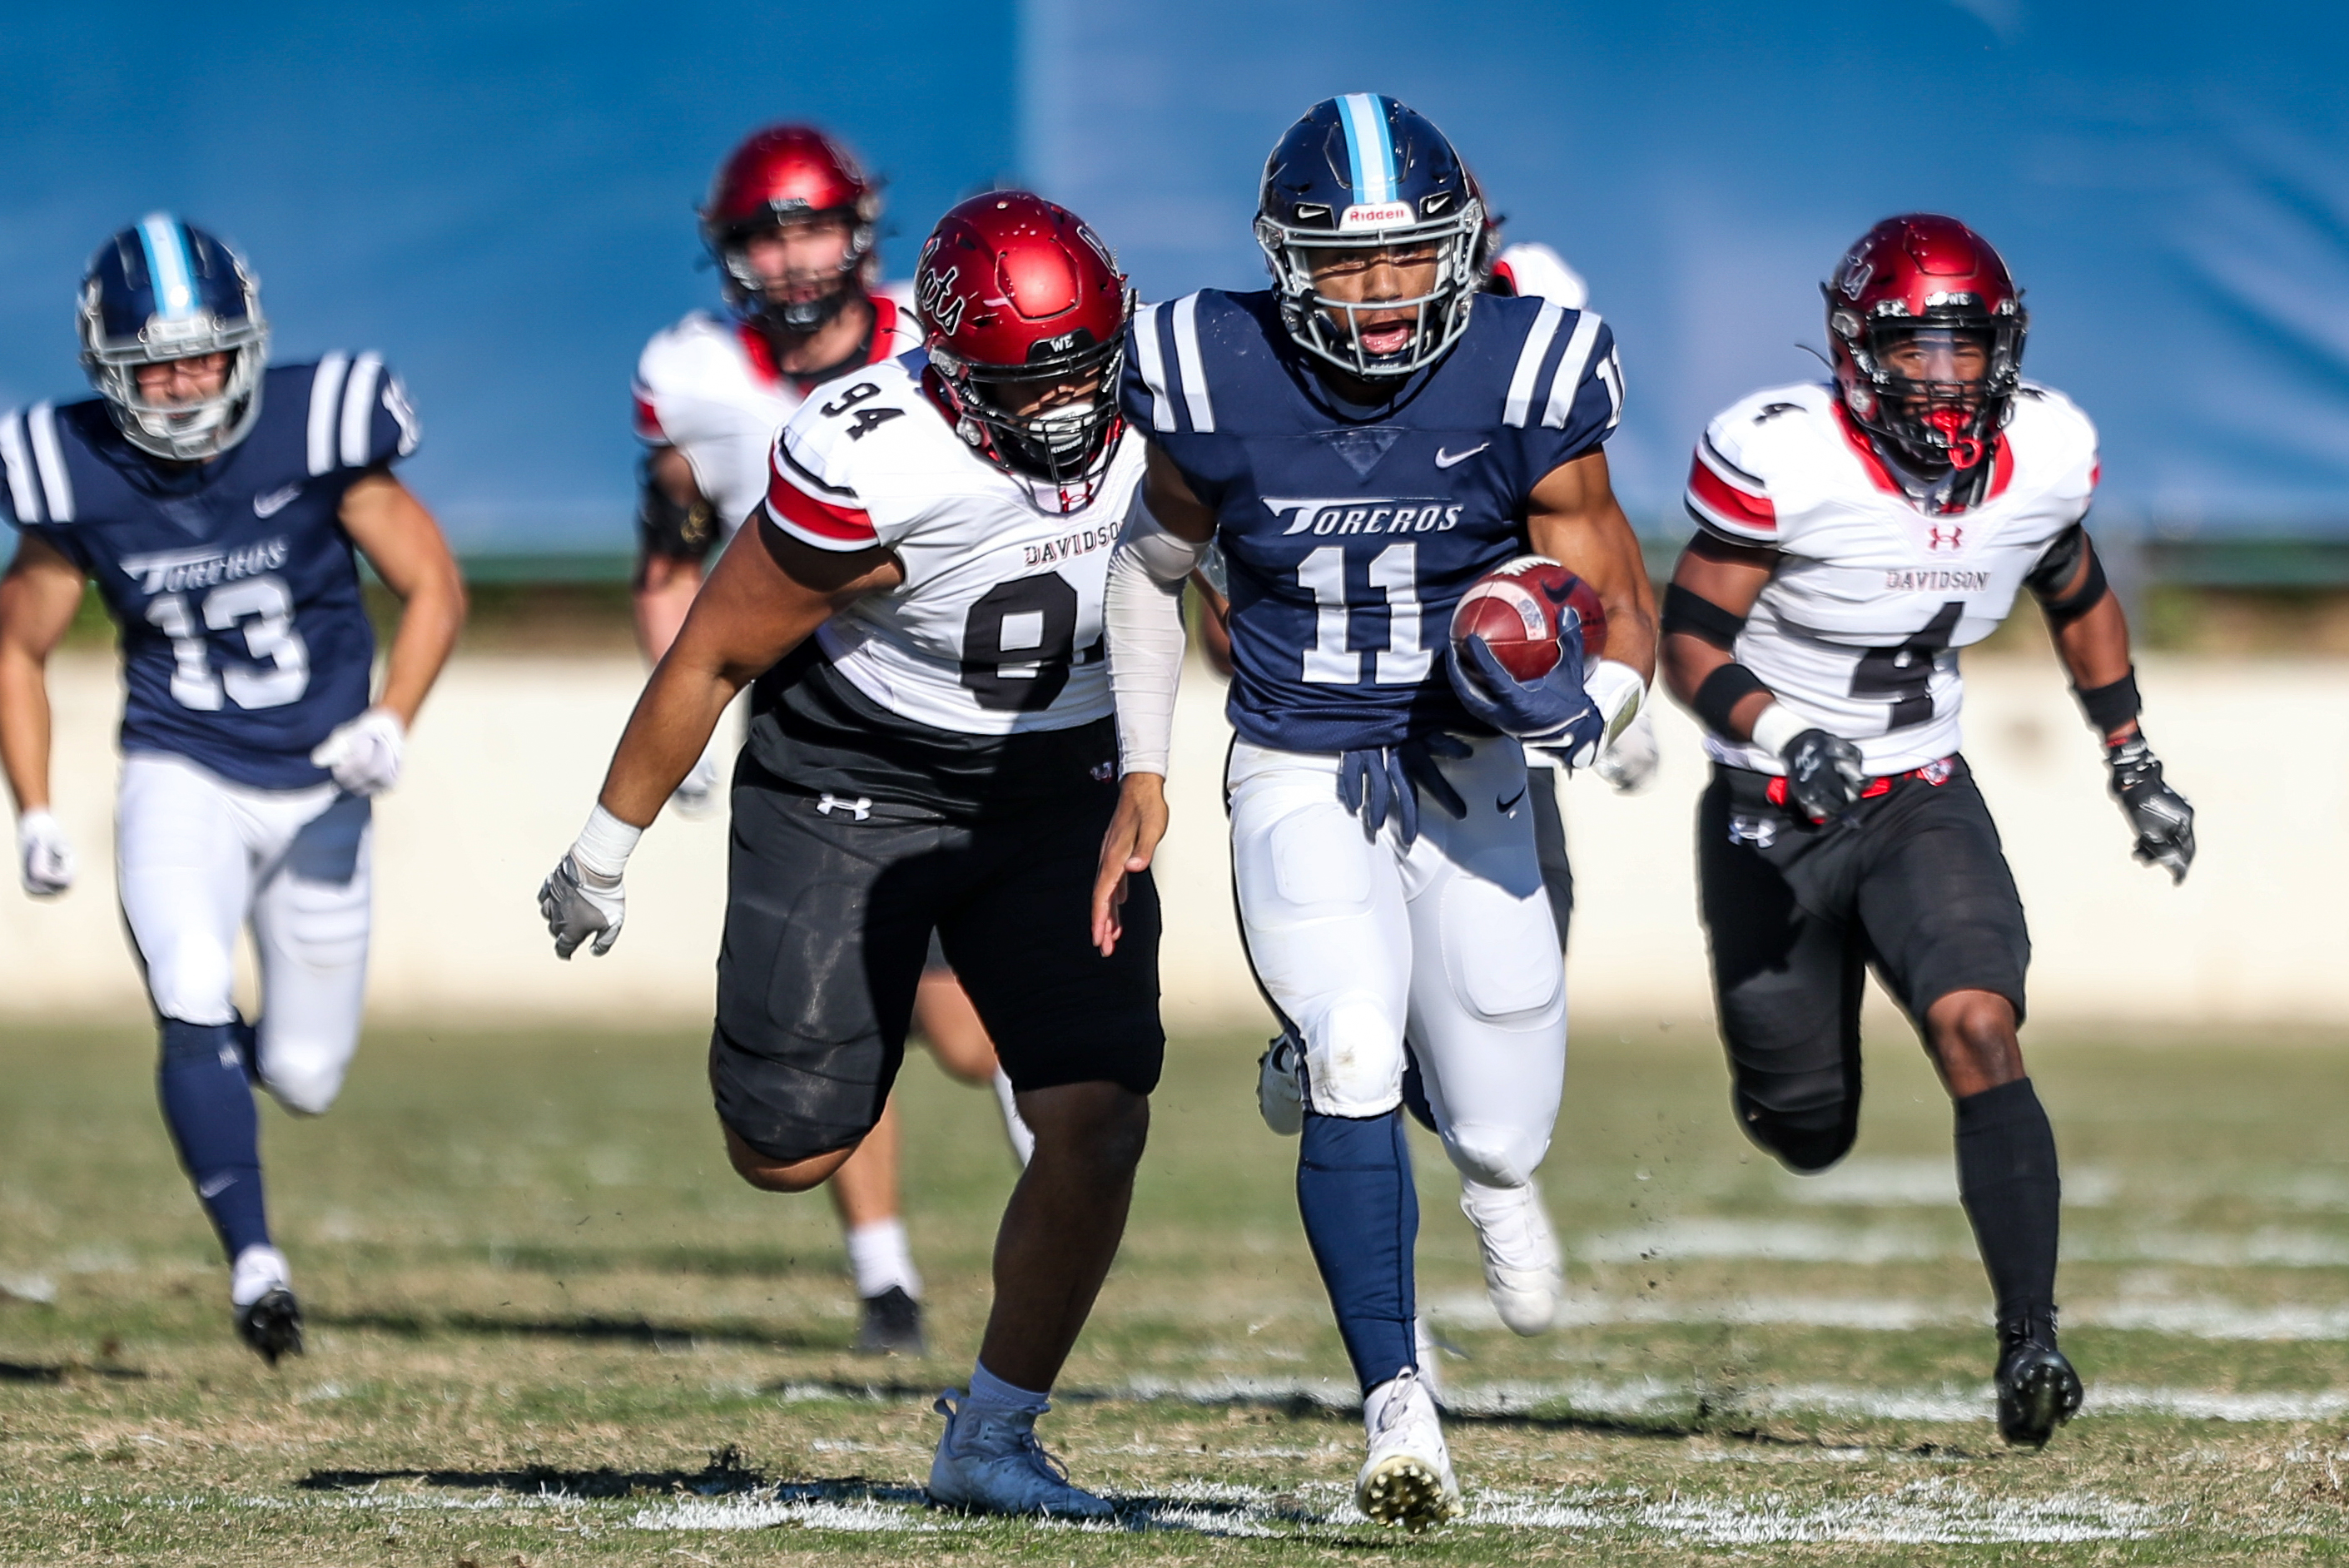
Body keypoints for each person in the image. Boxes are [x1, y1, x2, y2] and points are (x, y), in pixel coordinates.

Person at [540, 191, 1159, 1519]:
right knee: (785, 1149)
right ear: (949, 367)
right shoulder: (871, 452)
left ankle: (993, 1434)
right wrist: (602, 848)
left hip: (1056, 783)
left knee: (1099, 1115)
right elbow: (712, 651)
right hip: (855, 775)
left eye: (1080, 369)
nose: (1062, 406)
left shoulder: (1175, 395)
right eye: (1024, 377)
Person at [1094, 94, 1656, 1531]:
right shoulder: (1208, 367)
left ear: (1464, 247)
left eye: (1409, 254)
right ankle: (1400, 1407)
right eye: (1345, 261)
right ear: (1283, 261)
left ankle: (1474, 1166)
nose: (1383, 289)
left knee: (1500, 1134)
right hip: (1299, 757)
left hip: (1468, 769)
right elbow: (1148, 569)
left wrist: (1598, 700)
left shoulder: (1529, 366)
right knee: (1355, 1043)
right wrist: (1145, 768)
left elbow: (1609, 582)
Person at [1661, 214, 2197, 1451]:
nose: (1945, 378)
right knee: (1804, 1126)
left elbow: (2078, 594)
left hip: (1918, 797)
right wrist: (1785, 732)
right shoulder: (1787, 457)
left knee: (1978, 1025)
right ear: (1857, 351)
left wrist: (2132, 759)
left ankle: (2030, 1340)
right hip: (1775, 809)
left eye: (1967, 348)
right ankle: (1813, 1036)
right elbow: (1689, 639)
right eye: (1915, 350)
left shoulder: (2046, 455)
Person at [0, 216, 465, 1364]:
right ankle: (257, 1266)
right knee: (189, 983)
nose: (182, 387)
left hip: (323, 782)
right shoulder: (71, 465)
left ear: (245, 345)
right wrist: (36, 806)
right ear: (105, 367)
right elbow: (18, 646)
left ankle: (211, 1071)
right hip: (182, 768)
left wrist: (391, 721)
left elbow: (434, 586)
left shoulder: (318, 423)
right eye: (153, 365)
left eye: (202, 357)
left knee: (304, 1076)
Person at [628, 124, 1029, 1358]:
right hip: (812, 723)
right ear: (728, 250)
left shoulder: (937, 337)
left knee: (967, 1033)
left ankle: (1062, 1184)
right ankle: (884, 1278)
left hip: (954, 696)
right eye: (767, 235)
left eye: (812, 228)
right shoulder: (696, 379)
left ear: (860, 232)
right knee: (838, 1012)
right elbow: (671, 567)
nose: (793, 257)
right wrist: (684, 723)